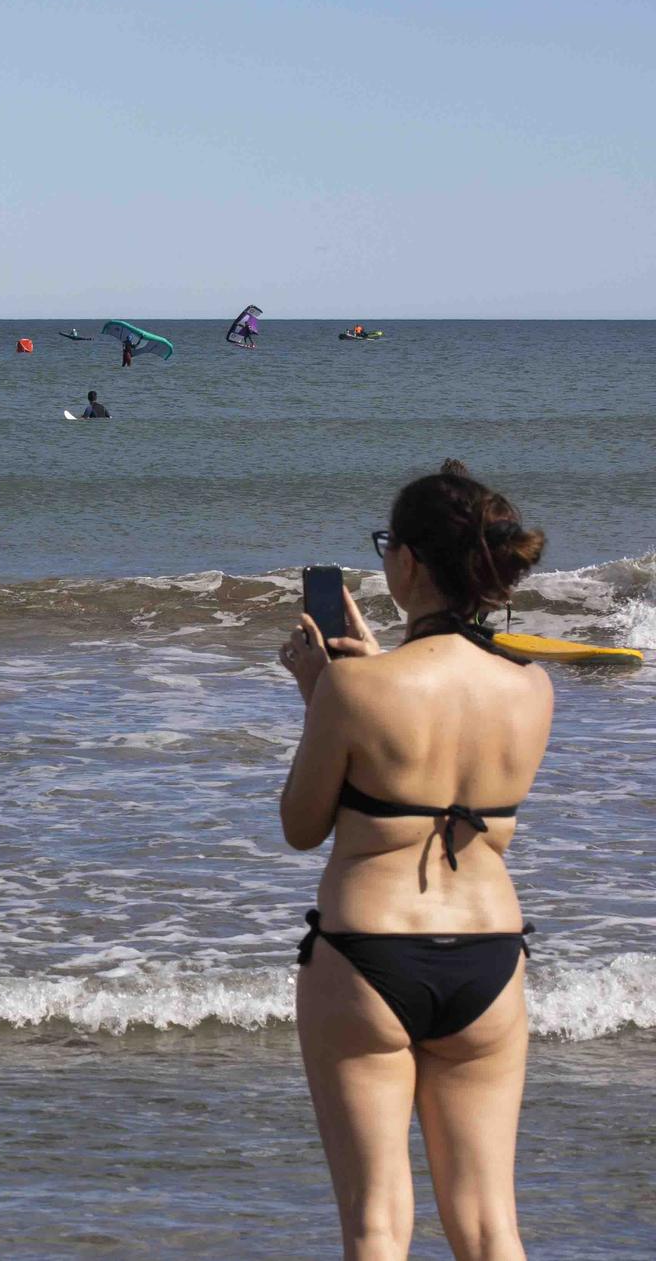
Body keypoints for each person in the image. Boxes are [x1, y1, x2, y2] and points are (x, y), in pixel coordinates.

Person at [277, 471, 551, 1260]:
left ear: (407, 563)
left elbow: (303, 825)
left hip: (369, 955)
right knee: (491, 1228)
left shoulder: (357, 687)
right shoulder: (531, 688)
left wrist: (322, 692)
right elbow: (447, 722)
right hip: (491, 957)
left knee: (375, 1227)